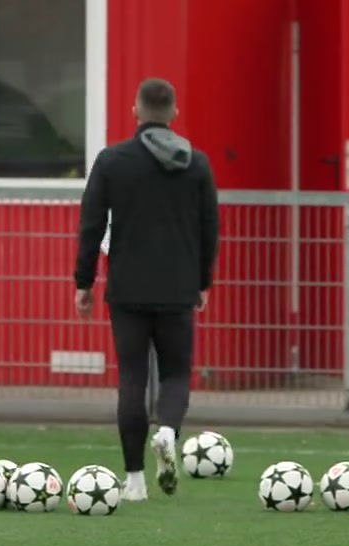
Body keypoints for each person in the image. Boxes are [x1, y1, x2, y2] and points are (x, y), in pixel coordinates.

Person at [73, 77, 219, 501]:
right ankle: (169, 431)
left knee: (132, 377)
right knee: (175, 373)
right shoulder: (197, 164)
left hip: (128, 288)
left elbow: (91, 224)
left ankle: (134, 479)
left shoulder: (113, 160)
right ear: (174, 113)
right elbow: (210, 227)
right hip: (177, 288)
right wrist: (203, 280)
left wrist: (84, 281)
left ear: (135, 111)